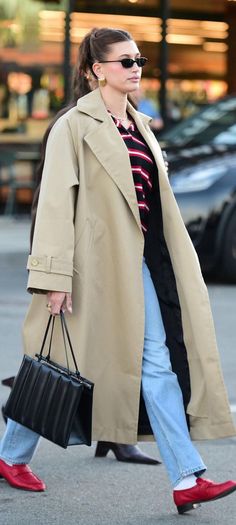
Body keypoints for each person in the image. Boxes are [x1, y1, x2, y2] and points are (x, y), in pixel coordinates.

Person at [0, 27, 236, 514]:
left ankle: (187, 477)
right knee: (60, 361)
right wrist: (53, 277)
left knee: (156, 363)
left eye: (139, 60)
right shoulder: (73, 126)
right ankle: (10, 456)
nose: (135, 68)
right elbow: (53, 207)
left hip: (143, 264)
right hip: (90, 268)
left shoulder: (140, 125)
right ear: (95, 70)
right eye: (125, 61)